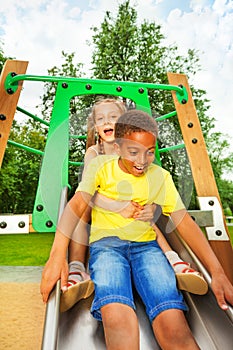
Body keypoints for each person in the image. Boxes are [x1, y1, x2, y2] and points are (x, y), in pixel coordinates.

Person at [41, 110, 233, 349]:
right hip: (107, 248)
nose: (142, 161)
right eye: (133, 152)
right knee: (117, 316)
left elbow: (184, 222)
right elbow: (77, 205)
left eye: (150, 152)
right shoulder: (101, 167)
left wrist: (217, 272)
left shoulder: (160, 177)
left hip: (147, 249)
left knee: (172, 321)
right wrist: (57, 255)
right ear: (119, 147)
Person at [63, 99, 207, 312]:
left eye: (113, 117)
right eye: (101, 119)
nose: (107, 122)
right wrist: (116, 206)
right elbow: (88, 195)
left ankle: (173, 259)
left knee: (146, 217)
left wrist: (153, 208)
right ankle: (76, 268)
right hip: (101, 209)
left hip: (132, 212)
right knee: (83, 214)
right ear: (95, 126)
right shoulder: (94, 152)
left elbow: (150, 187)